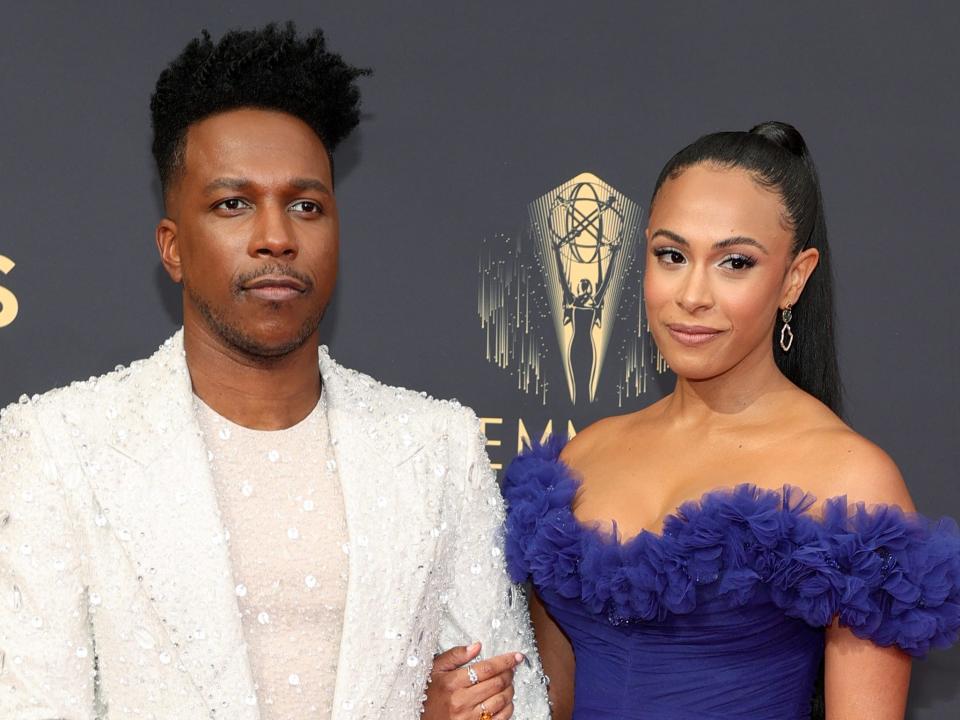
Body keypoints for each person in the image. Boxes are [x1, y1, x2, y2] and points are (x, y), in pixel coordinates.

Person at [0, 23, 548, 720]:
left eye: (305, 205)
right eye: (233, 204)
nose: (277, 236)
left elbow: (512, 701)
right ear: (172, 247)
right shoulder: (54, 447)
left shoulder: (437, 446)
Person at [502, 121, 960, 719]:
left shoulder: (851, 479)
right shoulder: (582, 457)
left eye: (734, 263)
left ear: (794, 277)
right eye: (671, 255)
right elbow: (549, 702)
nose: (692, 294)